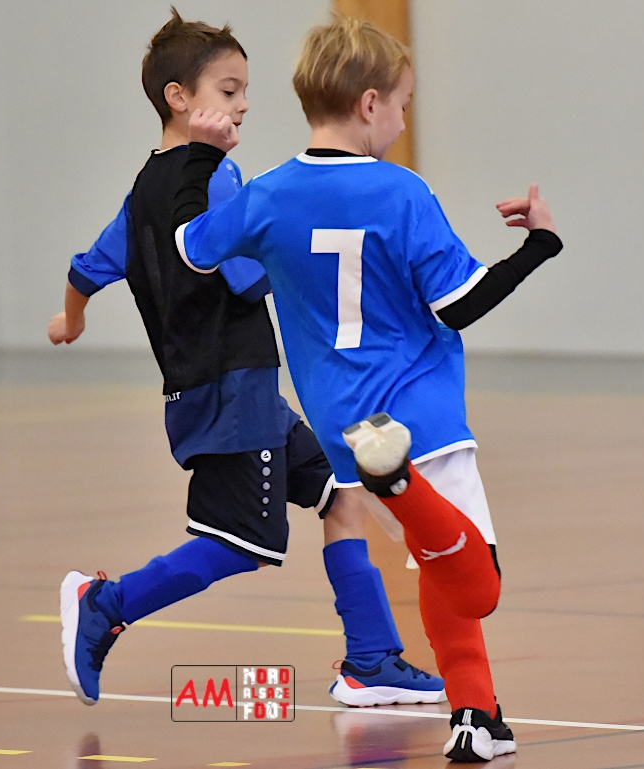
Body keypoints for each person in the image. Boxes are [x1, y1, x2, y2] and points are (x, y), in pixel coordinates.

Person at [171, 16, 563, 762]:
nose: (405, 122)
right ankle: (401, 483)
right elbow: (461, 305)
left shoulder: (270, 194)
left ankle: (477, 719)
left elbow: (191, 247)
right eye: (404, 105)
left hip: (345, 429)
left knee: (436, 571)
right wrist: (540, 245)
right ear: (371, 104)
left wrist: (200, 155)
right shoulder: (400, 191)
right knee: (476, 585)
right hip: (423, 420)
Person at [48, 9, 443, 710]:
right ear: (178, 98)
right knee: (239, 543)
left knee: (340, 493)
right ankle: (106, 604)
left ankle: (371, 659)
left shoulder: (143, 189)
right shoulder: (219, 179)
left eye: (244, 92)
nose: (244, 104)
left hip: (233, 393)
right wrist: (308, 260)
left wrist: (70, 316)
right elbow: (245, 274)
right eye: (229, 91)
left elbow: (92, 263)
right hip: (230, 394)